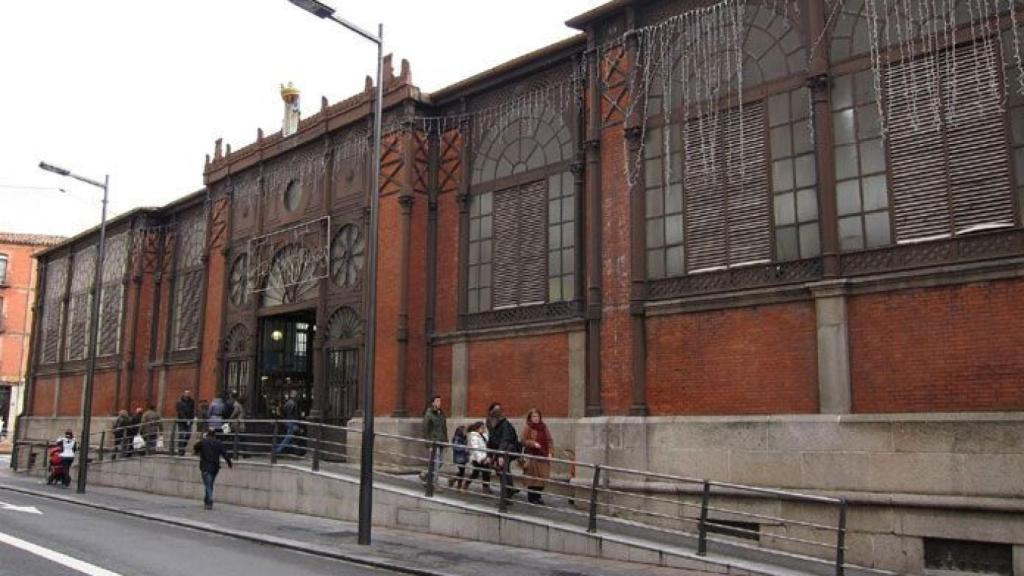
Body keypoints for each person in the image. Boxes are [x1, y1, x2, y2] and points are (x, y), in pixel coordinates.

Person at [486, 403, 520, 501]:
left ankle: (506, 496)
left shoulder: (505, 425)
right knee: (502, 471)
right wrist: (489, 455)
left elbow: (505, 440)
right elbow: (491, 440)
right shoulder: (492, 423)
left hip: (509, 449)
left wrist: (500, 455)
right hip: (501, 450)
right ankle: (508, 491)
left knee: (503, 470)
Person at [193, 429, 233, 510]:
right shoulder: (218, 443)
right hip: (215, 468)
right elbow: (225, 453)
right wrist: (229, 463)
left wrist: (198, 451)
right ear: (214, 435)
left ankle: (210, 499)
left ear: (207, 434)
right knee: (210, 484)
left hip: (205, 467)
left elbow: (195, 447)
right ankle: (207, 502)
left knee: (208, 485)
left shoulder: (203, 442)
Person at [521, 408, 554, 505]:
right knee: (533, 479)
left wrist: (551, 452)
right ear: (530, 418)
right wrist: (533, 443)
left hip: (543, 455)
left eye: (537, 416)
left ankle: (538, 495)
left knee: (543, 478)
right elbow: (523, 441)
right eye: (534, 416)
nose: (536, 418)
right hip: (533, 455)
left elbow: (549, 440)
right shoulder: (528, 427)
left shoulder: (544, 427)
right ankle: (533, 497)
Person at [421, 395, 448, 483]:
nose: (439, 403)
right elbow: (425, 429)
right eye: (437, 401)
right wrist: (428, 444)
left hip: (441, 441)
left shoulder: (441, 413)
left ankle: (426, 474)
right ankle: (433, 483)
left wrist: (446, 441)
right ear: (433, 403)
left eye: (440, 401)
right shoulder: (429, 414)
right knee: (436, 463)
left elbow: (444, 428)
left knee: (440, 462)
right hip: (433, 442)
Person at [464, 421, 492, 495]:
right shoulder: (474, 437)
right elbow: (475, 449)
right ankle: (466, 484)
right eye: (482, 428)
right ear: (477, 429)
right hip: (477, 459)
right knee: (476, 474)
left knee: (486, 473)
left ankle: (486, 489)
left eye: (484, 428)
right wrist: (480, 459)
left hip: (485, 457)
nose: (483, 429)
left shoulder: (483, 435)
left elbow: (487, 445)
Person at [175, 389, 196, 456]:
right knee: (181, 435)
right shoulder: (179, 402)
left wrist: (191, 419)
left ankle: (183, 447)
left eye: (188, 393)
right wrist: (185, 420)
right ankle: (180, 450)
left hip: (189, 421)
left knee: (188, 435)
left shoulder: (192, 401)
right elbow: (180, 412)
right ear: (184, 394)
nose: (187, 394)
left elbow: (192, 411)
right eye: (186, 393)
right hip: (181, 421)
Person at [228, 393, 246, 458]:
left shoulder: (236, 405)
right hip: (239, 423)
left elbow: (234, 413)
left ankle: (233, 453)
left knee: (234, 438)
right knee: (241, 439)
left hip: (236, 424)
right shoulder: (240, 405)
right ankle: (243, 453)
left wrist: (229, 418)